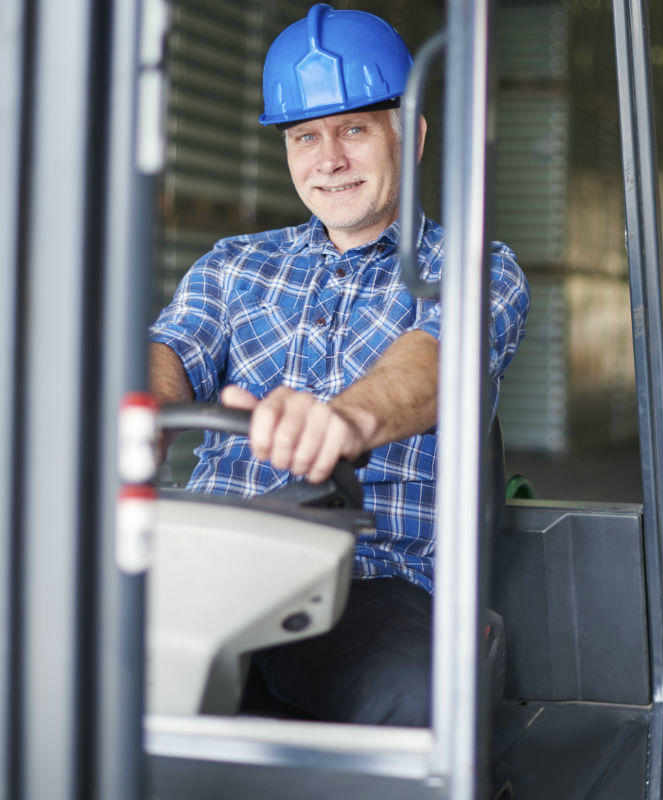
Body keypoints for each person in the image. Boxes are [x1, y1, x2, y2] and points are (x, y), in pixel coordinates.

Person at [148, 3, 529, 727]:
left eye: (353, 128)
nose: (328, 158)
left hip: (373, 582)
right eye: (305, 136)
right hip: (210, 559)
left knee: (407, 699)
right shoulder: (234, 265)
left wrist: (345, 420)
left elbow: (438, 359)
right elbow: (170, 349)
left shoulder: (477, 267)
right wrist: (141, 412)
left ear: (409, 136)